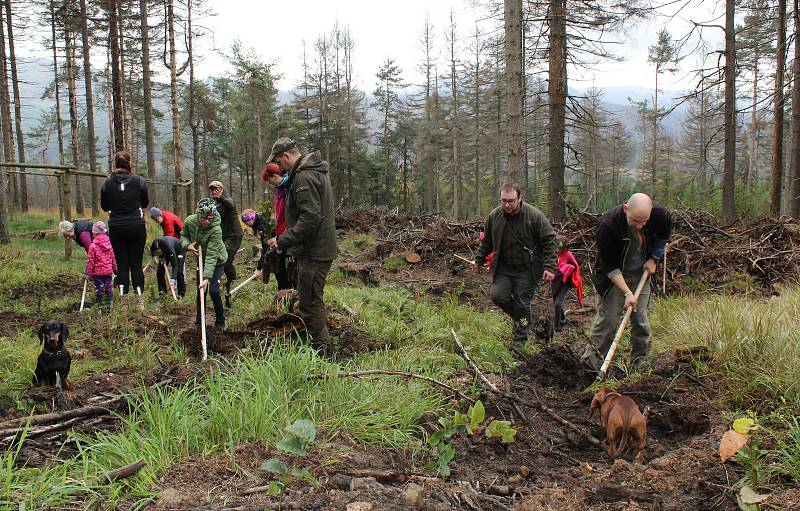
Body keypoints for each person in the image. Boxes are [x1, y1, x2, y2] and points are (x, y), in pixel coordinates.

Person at [580, 193, 672, 373]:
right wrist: (627, 293)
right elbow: (610, 266)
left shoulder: (660, 215)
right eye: (636, 221)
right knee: (609, 321)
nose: (640, 226)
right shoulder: (609, 225)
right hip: (613, 278)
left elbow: (663, 235)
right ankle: (591, 364)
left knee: (641, 320)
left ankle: (639, 363)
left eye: (644, 222)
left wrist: (654, 258)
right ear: (625, 209)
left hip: (641, 274)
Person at [265, 137, 337, 353]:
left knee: (309, 302)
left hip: (315, 250)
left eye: (278, 161)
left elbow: (310, 219)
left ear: (286, 156)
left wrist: (281, 240)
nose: (278, 167)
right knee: (311, 299)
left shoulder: (304, 177)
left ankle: (323, 352)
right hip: (315, 248)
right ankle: (320, 344)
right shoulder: (309, 171)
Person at [473, 183, 557, 347]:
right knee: (497, 296)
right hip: (504, 268)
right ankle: (525, 320)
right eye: (503, 200)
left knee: (521, 302)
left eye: (511, 201)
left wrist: (550, 267)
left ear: (520, 199)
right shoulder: (494, 216)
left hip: (528, 269)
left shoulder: (534, 216)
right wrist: (478, 259)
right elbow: (487, 241)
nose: (506, 205)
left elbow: (549, 241)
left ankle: (519, 341)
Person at [100, 150, 149, 311]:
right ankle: (139, 301)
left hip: (116, 227)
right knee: (136, 265)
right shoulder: (139, 181)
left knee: (122, 266)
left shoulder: (107, 183)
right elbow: (145, 203)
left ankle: (123, 301)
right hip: (136, 226)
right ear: (129, 163)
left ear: (115, 164)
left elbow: (105, 206)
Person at [182, 198, 228, 330]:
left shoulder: (216, 229)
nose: (207, 221)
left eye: (210, 218)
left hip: (217, 261)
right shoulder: (190, 221)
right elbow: (183, 235)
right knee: (201, 292)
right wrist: (188, 245)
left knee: (213, 291)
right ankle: (199, 321)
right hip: (200, 260)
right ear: (198, 215)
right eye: (204, 218)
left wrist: (207, 278)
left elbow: (212, 255)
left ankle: (220, 321)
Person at [260, 162, 297, 289]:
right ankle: (283, 294)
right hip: (280, 232)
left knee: (291, 270)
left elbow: (292, 216)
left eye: (270, 181)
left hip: (289, 234)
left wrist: (284, 235)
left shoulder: (290, 188)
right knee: (279, 270)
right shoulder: (279, 190)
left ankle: (292, 295)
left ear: (275, 176)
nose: (271, 184)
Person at [208, 180, 243, 308]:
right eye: (212, 189)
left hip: (234, 235)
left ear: (221, 189)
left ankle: (232, 282)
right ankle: (230, 282)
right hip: (224, 236)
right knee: (225, 259)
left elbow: (230, 204)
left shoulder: (226, 199)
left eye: (216, 188)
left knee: (225, 258)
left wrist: (220, 196)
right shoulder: (215, 203)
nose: (214, 191)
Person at [84, 221, 117, 313]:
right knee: (108, 287)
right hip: (108, 271)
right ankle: (110, 303)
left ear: (95, 234)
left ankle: (101, 305)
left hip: (97, 273)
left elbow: (91, 261)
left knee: (100, 288)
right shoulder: (109, 244)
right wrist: (115, 269)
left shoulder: (93, 246)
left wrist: (88, 274)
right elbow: (113, 257)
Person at [551, 239, 584, 331]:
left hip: (566, 282)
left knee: (558, 303)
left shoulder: (568, 255)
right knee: (555, 301)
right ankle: (562, 318)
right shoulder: (554, 254)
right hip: (556, 280)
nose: (558, 250)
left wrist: (567, 269)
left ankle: (557, 327)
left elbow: (576, 267)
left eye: (560, 248)